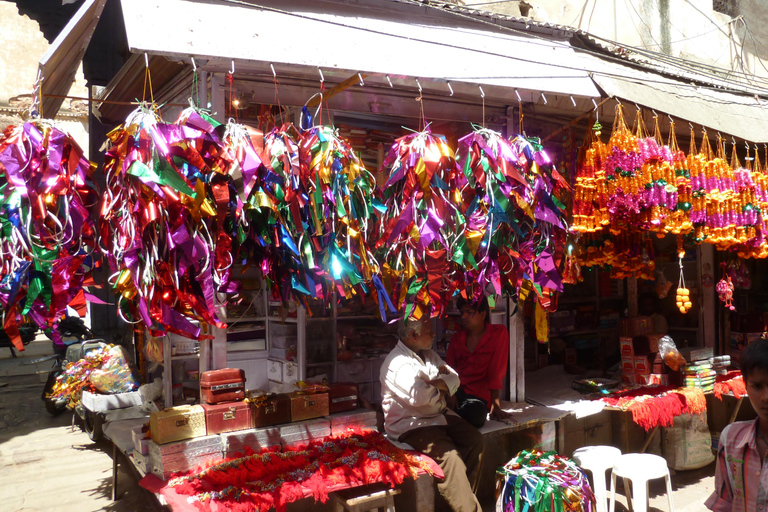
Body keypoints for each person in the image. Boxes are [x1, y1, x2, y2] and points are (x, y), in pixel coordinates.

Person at [380, 316, 484, 512]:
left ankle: (460, 503)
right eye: (429, 332)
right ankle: (468, 508)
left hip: (438, 415)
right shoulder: (397, 363)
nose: (434, 334)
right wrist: (442, 387)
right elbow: (420, 397)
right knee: (451, 459)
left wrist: (435, 386)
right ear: (413, 335)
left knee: (475, 441)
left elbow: (454, 377)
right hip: (413, 424)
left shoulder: (429, 354)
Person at [706, 339, 768, 512]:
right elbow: (725, 503)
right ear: (746, 387)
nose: (765, 397)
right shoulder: (731, 439)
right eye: (757, 386)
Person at [445, 296, 513, 428]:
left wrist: (495, 404)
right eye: (462, 312)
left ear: (483, 314)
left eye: (469, 312)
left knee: (476, 414)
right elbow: (448, 369)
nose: (464, 316)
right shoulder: (456, 338)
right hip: (456, 391)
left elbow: (496, 370)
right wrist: (450, 394)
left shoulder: (498, 333)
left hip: (477, 398)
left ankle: (449, 416)